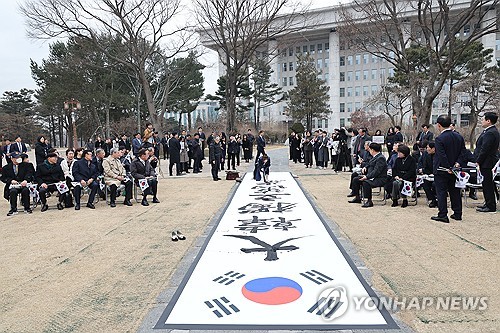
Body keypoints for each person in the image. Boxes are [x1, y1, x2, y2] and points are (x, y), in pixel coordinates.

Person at [432, 115, 467, 223]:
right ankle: (457, 213)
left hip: (442, 169)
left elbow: (442, 155)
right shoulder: (459, 136)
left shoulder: (439, 139)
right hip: (455, 169)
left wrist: (448, 167)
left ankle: (443, 214)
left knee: (441, 192)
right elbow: (463, 152)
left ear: (439, 125)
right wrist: (457, 163)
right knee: (455, 191)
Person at [474, 111, 499, 213]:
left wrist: (478, 161)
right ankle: (488, 202)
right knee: (487, 184)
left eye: (483, 119)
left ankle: (490, 205)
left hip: (487, 162)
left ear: (488, 121)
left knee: (488, 184)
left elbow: (485, 149)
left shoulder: (491, 132)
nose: (481, 121)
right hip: (487, 162)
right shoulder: (489, 131)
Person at [348, 143, 388, 208]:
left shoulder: (381, 158)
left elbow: (376, 171)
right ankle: (357, 197)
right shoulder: (375, 157)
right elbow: (369, 164)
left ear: (372, 150)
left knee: (366, 182)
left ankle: (369, 200)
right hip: (371, 176)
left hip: (379, 178)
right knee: (356, 179)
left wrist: (366, 177)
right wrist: (365, 167)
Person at [419, 142, 438, 208]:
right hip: (429, 175)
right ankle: (433, 200)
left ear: (433, 149)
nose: (427, 149)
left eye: (428, 148)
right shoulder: (426, 155)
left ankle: (438, 199)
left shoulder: (439, 156)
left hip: (438, 175)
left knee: (435, 184)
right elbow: (426, 167)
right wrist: (423, 171)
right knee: (425, 183)